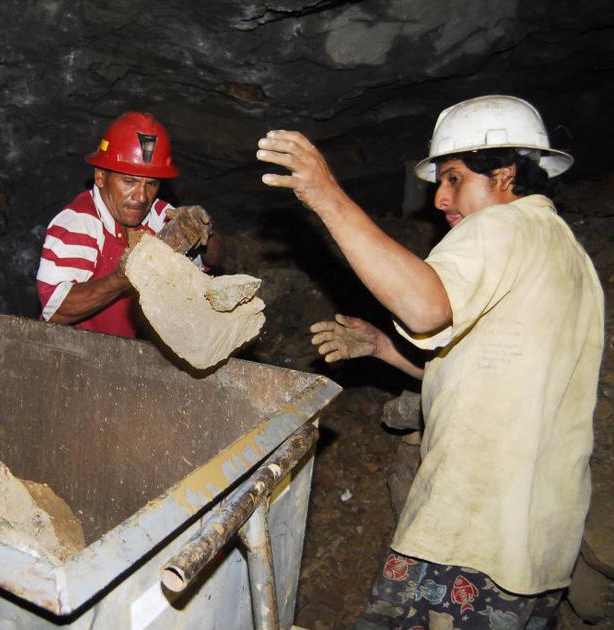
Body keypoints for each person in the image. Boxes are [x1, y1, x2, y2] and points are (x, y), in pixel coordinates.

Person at [257, 95, 603, 627]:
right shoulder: (567, 255)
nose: (440, 197)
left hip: (471, 535)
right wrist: (383, 348)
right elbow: (499, 372)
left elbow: (424, 308)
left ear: (505, 175)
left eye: (455, 178)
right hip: (537, 549)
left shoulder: (499, 227)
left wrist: (327, 196)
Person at [36, 111, 223, 338]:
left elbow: (215, 260)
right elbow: (56, 311)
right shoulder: (79, 222)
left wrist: (204, 230)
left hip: (129, 352)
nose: (141, 197)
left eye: (151, 184)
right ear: (100, 176)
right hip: (67, 351)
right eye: (129, 181)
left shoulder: (160, 215)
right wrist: (122, 279)